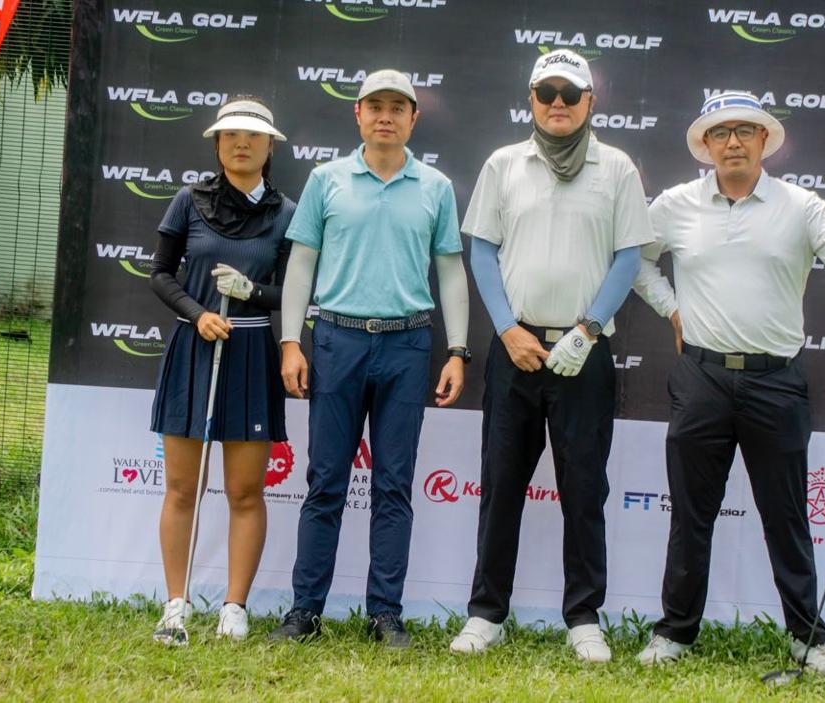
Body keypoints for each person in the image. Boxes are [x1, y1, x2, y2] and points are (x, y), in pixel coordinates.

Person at [631, 90, 825, 674]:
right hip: (702, 378)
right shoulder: (675, 205)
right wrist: (671, 307)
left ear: (764, 139)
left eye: (745, 130)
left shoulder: (800, 205)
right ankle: (675, 632)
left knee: (786, 518)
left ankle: (807, 638)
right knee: (691, 515)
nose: (733, 142)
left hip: (776, 382)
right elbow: (635, 260)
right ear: (705, 144)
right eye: (721, 133)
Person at [448, 50, 652, 663]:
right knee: (501, 484)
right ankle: (487, 613)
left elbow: (629, 257)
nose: (557, 103)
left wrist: (587, 330)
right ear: (531, 100)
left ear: (591, 101)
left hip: (584, 352)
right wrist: (507, 329)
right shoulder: (503, 163)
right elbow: (483, 252)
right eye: (546, 93)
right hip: (516, 348)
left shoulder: (617, 168)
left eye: (570, 92)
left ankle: (584, 617)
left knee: (584, 488)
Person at [269, 70, 469, 649]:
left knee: (394, 486)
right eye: (375, 106)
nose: (386, 116)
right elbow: (301, 263)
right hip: (338, 341)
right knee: (326, 481)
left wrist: (457, 350)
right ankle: (304, 611)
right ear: (357, 114)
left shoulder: (435, 186)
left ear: (413, 118)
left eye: (397, 107)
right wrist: (290, 341)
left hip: (408, 345)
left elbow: (450, 271)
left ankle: (385, 613)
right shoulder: (326, 180)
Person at [149, 97, 295, 643]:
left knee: (245, 490)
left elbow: (297, 291)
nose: (241, 143)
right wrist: (198, 313)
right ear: (217, 143)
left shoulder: (287, 213)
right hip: (195, 347)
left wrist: (251, 290)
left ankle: (235, 607)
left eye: (253, 136)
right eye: (231, 134)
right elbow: (161, 274)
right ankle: (175, 605)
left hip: (251, 354)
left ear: (269, 146)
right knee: (181, 487)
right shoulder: (188, 202)